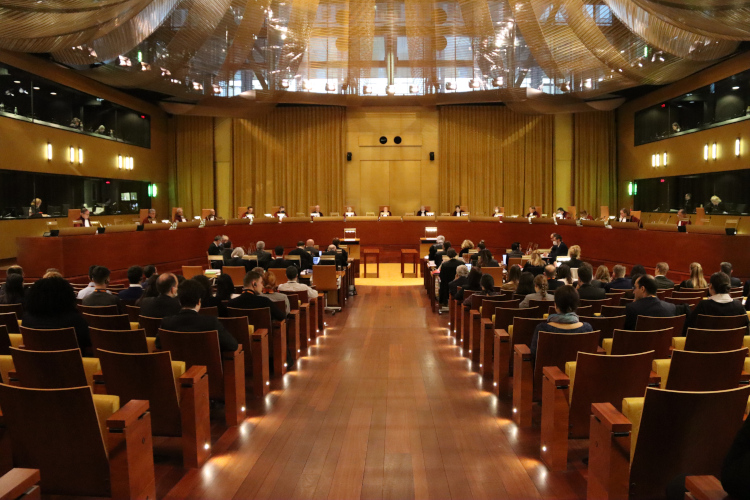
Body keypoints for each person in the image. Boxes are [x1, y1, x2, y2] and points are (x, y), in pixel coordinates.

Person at [159, 280, 238, 352]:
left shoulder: (166, 322)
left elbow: (158, 345)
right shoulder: (211, 323)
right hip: (208, 366)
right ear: (199, 302)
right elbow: (233, 345)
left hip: (176, 366)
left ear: (179, 301)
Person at [23, 276, 91, 351]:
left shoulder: (27, 319)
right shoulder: (76, 320)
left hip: (34, 361)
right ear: (67, 296)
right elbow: (88, 342)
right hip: (70, 361)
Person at [530, 285, 593, 361]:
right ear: (576, 306)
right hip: (577, 372)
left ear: (555, 305)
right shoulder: (587, 329)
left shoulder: (542, 328)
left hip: (546, 371)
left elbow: (534, 353)